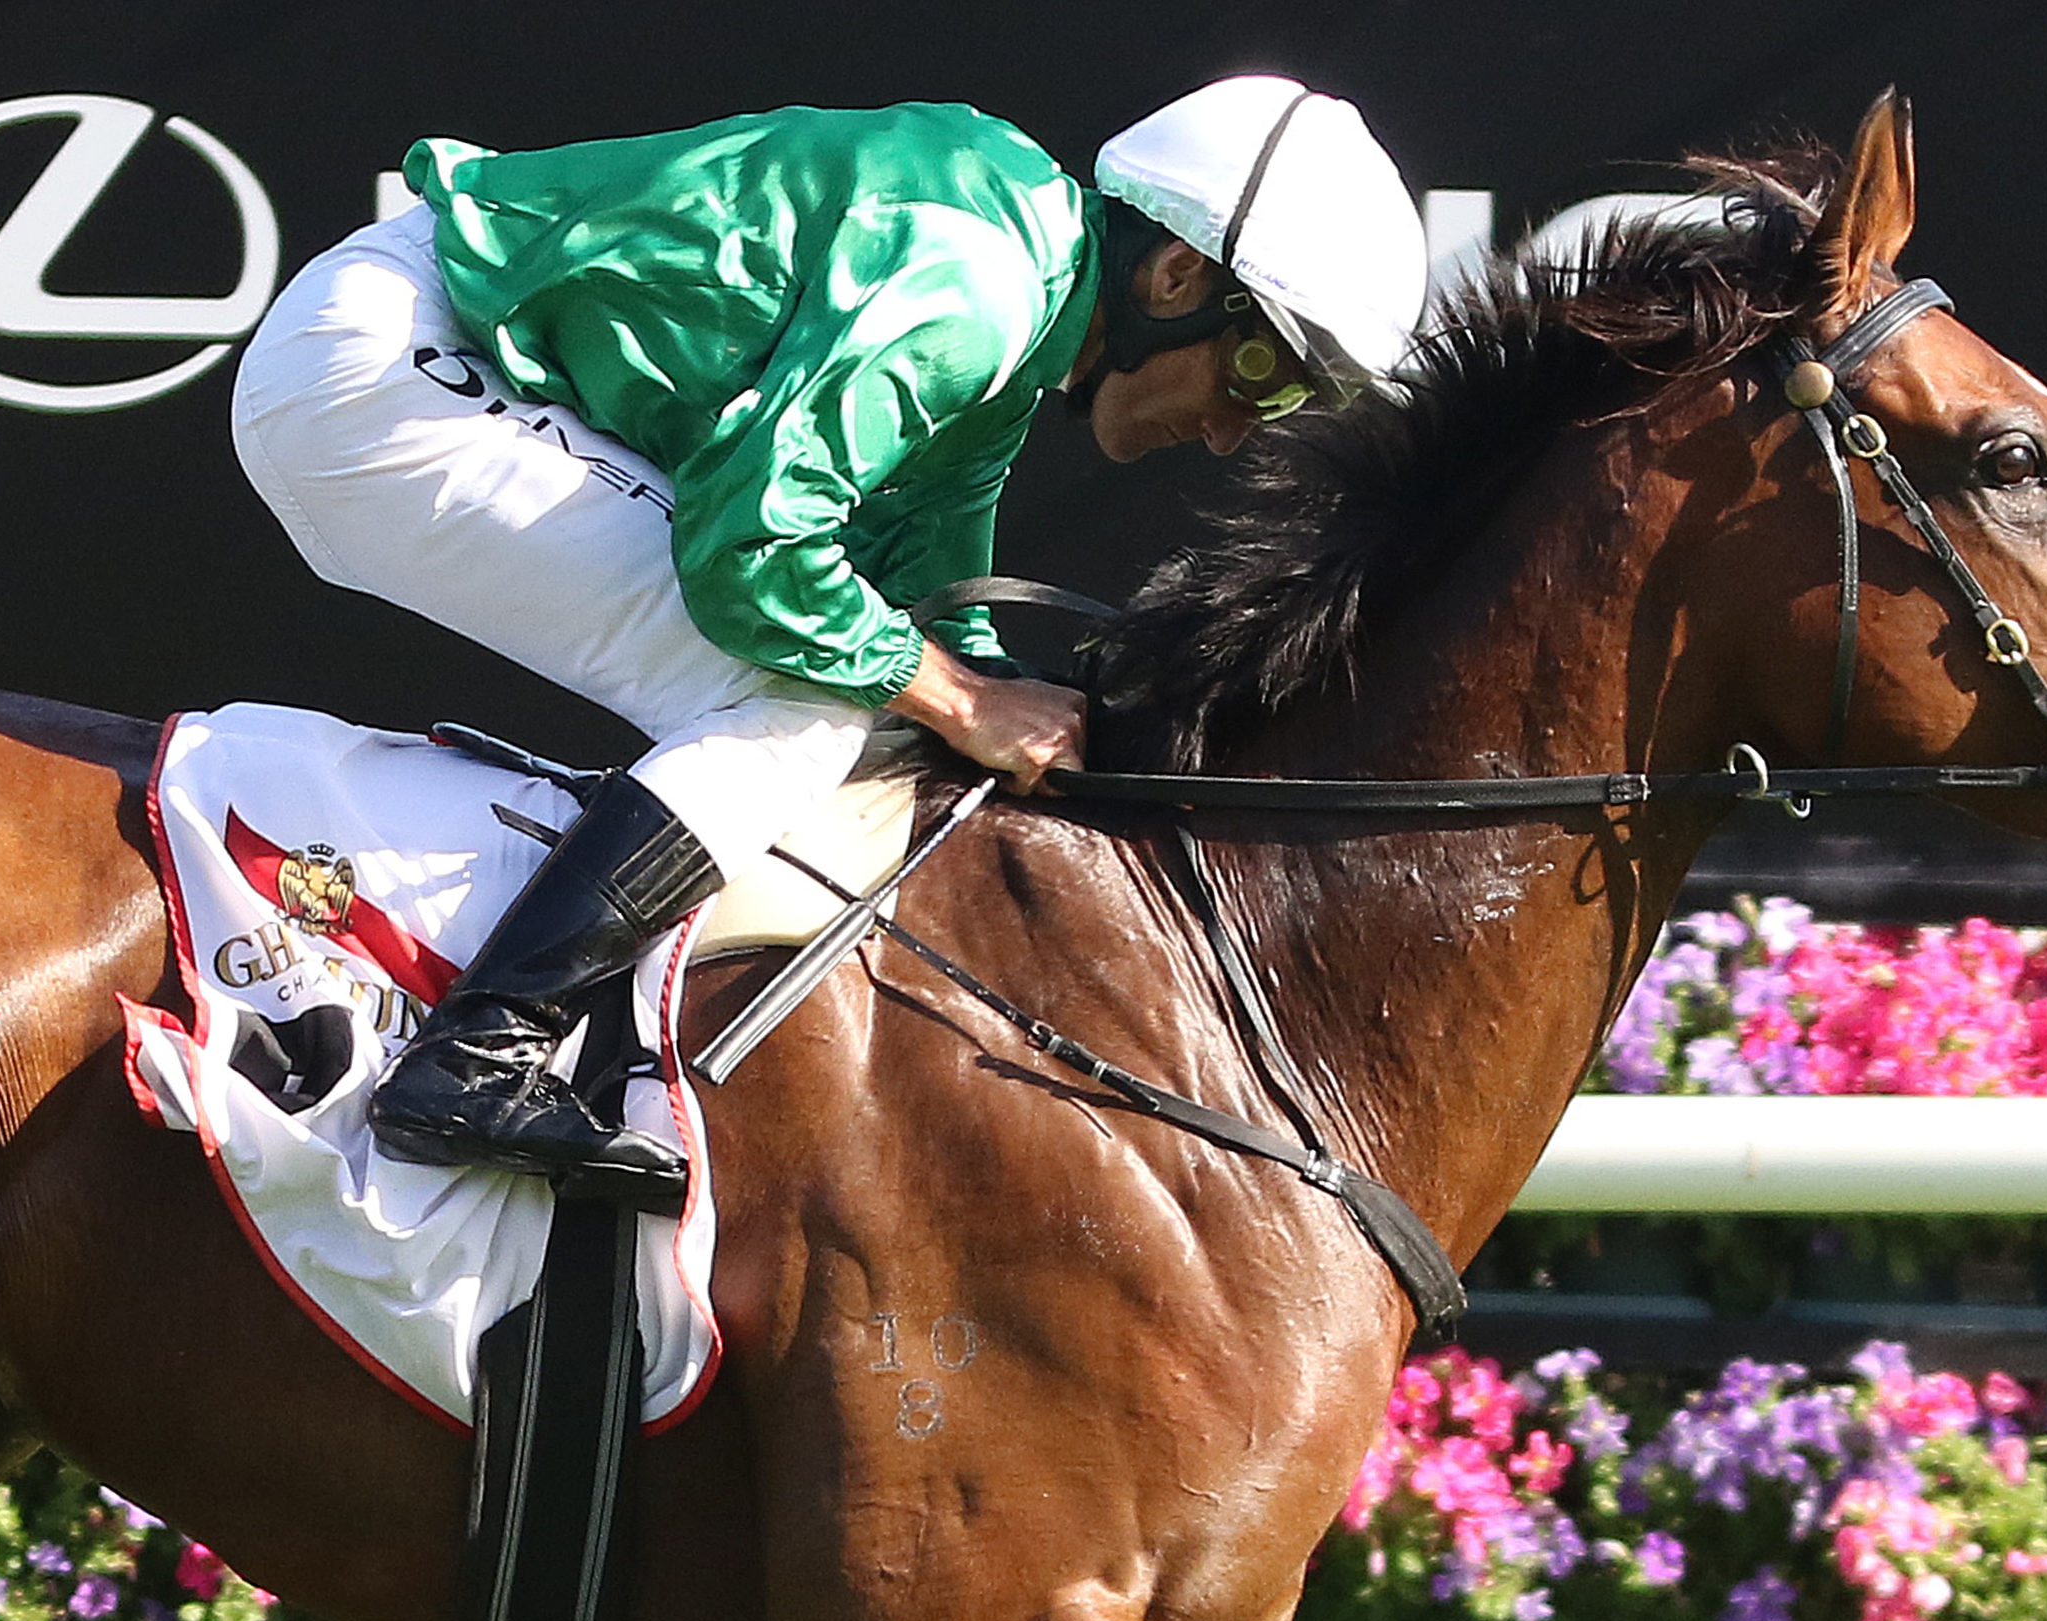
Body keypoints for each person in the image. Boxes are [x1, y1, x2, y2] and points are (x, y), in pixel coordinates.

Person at [230, 75, 1428, 1211]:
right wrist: (963, 704)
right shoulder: (974, 287)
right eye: (1259, 373)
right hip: (390, 367)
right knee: (805, 701)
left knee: (872, 695)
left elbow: (924, 554)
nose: (1232, 433)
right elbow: (752, 558)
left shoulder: (1022, 266)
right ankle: (476, 1056)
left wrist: (977, 680)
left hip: (416, 345)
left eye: (1283, 404)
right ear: (1176, 273)